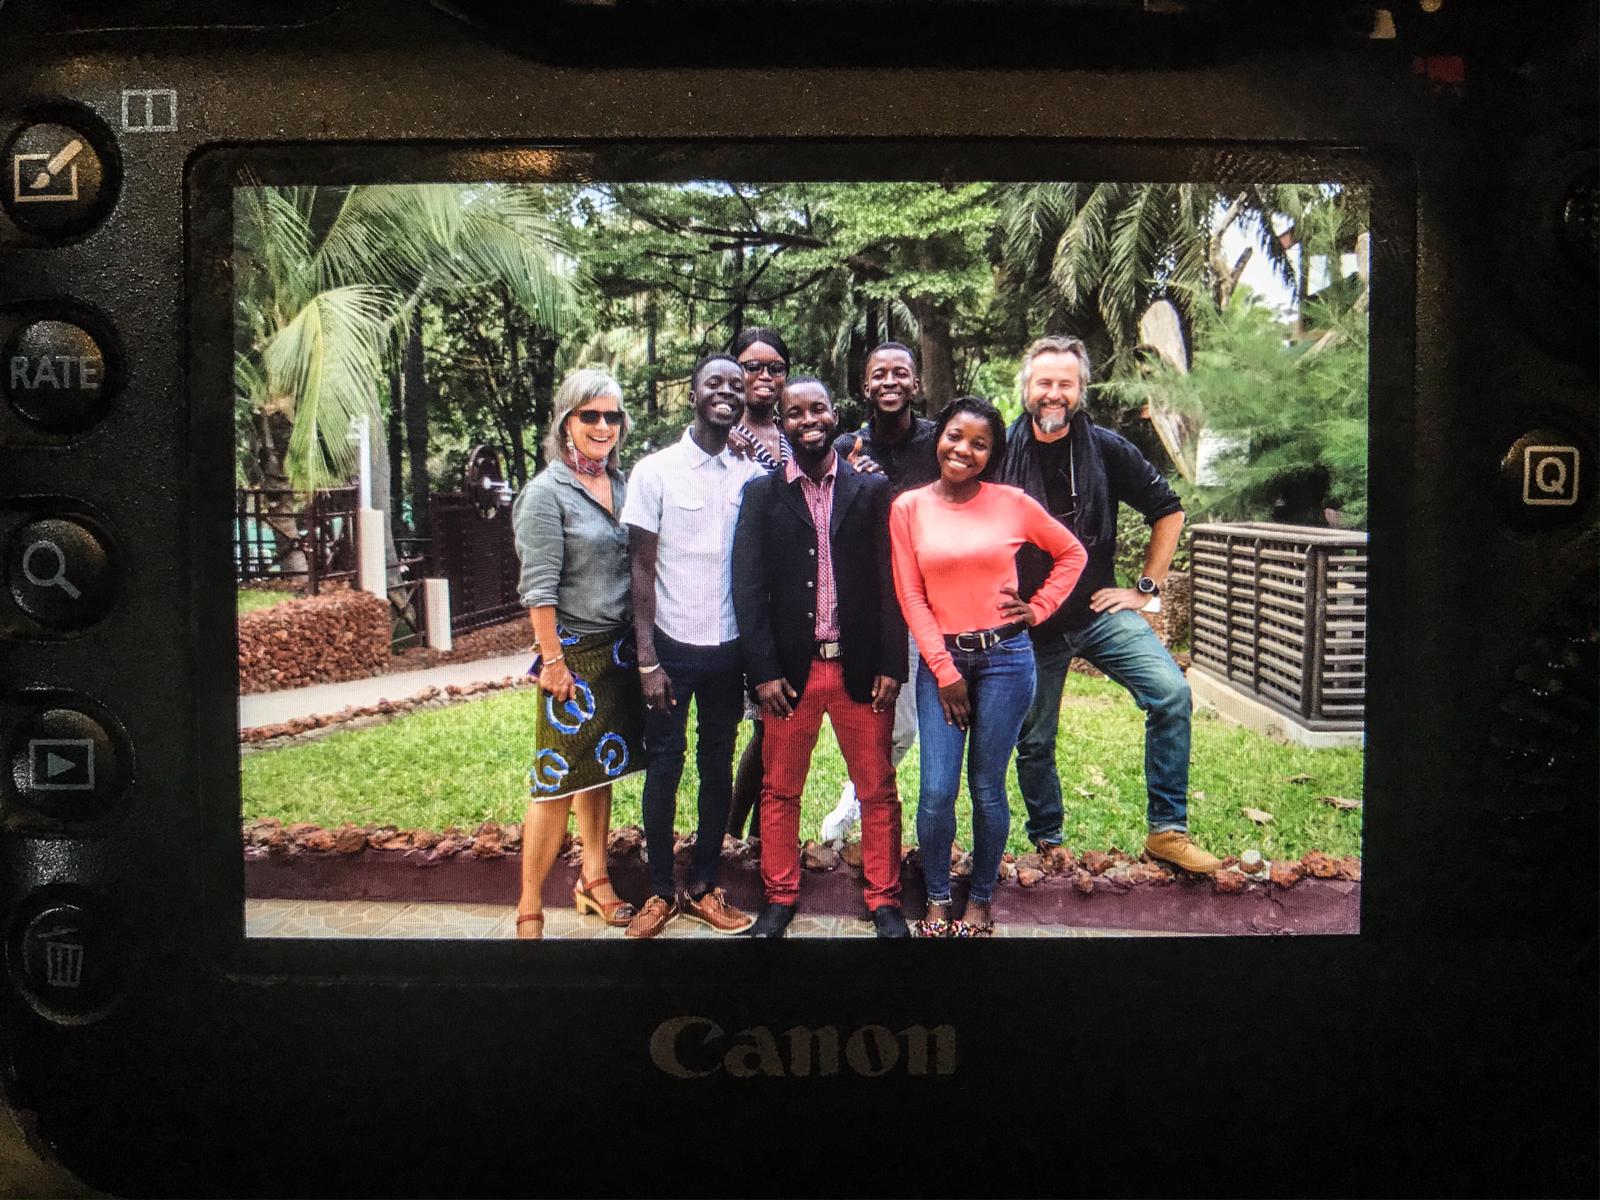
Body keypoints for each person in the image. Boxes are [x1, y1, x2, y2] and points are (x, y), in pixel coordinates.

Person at [997, 334, 1221, 875]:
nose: (1055, 393)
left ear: (1081, 390)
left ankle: (1167, 831)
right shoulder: (999, 450)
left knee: (1170, 694)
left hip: (1100, 615)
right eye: (1045, 382)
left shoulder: (1105, 447)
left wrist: (1144, 591)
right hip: (1031, 626)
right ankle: (1048, 841)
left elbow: (1168, 511)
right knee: (1035, 739)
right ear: (1027, 387)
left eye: (1065, 384)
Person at [889, 397, 1087, 936]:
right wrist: (945, 671)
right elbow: (911, 595)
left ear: (992, 453)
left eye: (980, 444)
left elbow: (1072, 554)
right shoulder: (908, 507)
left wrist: (1039, 608)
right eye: (956, 436)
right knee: (935, 790)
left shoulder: (1012, 502)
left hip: (1007, 658)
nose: (964, 450)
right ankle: (935, 897)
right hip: (942, 660)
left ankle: (978, 898)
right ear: (939, 437)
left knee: (987, 788)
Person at [731, 376, 911, 938]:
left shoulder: (869, 489)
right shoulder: (762, 494)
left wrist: (891, 664)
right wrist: (761, 672)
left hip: (859, 667)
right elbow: (747, 588)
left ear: (835, 415)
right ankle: (780, 897)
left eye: (819, 409)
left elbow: (891, 582)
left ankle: (884, 900)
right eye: (794, 412)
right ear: (781, 423)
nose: (808, 419)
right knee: (780, 788)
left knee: (877, 789)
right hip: (791, 673)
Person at [619, 353, 764, 938]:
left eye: (737, 384)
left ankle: (704, 886)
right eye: (715, 384)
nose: (727, 392)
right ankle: (659, 891)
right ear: (694, 396)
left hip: (728, 649)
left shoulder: (750, 476)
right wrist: (648, 658)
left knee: (716, 767)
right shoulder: (654, 471)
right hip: (672, 648)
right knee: (664, 766)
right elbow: (640, 570)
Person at [510, 368, 643, 939]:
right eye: (590, 415)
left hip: (618, 652)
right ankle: (529, 904)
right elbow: (538, 589)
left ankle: (595, 878)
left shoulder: (625, 484)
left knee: (599, 772)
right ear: (566, 421)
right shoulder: (545, 494)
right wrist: (554, 662)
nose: (602, 426)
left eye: (612, 416)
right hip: (572, 655)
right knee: (555, 779)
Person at [827, 341, 941, 829]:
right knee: (885, 712)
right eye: (879, 374)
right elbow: (824, 520)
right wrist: (852, 482)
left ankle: (866, 791)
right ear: (864, 386)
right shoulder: (844, 448)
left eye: (901, 373)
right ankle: (863, 795)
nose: (890, 381)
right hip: (873, 599)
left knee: (919, 723)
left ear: (917, 384)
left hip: (932, 597)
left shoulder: (939, 443)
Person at [724, 327, 793, 839]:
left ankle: (752, 835)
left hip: (788, 599)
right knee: (757, 726)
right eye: (753, 366)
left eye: (775, 368)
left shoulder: (792, 435)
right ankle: (730, 830)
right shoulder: (724, 436)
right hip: (740, 599)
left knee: (775, 727)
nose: (764, 376)